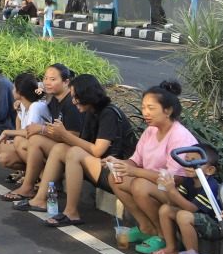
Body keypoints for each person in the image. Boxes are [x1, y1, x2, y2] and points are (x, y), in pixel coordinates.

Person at [11, 74, 137, 226]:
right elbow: (84, 144)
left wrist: (64, 134)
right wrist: (58, 135)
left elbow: (97, 151)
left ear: (87, 95)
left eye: (76, 97)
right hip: (99, 164)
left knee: (74, 152)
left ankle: (71, 212)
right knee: (59, 148)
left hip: (114, 168)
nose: (74, 101)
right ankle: (40, 199)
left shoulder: (108, 113)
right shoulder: (91, 111)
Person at [103, 82, 198, 254]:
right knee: (115, 177)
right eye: (143, 107)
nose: (145, 112)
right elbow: (135, 161)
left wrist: (136, 172)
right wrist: (119, 164)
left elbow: (174, 178)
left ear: (168, 110)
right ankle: (145, 227)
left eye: (151, 108)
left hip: (177, 190)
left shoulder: (179, 137)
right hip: (152, 183)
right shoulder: (150, 131)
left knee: (139, 184)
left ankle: (163, 237)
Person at [2, 63, 83, 200]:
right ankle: (41, 179)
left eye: (52, 79)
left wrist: (42, 130)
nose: (47, 83)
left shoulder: (71, 103)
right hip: (59, 145)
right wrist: (20, 107)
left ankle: (29, 186)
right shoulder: (56, 100)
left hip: (72, 149)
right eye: (45, 78)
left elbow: (74, 137)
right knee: (18, 143)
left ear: (66, 82)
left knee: (34, 139)